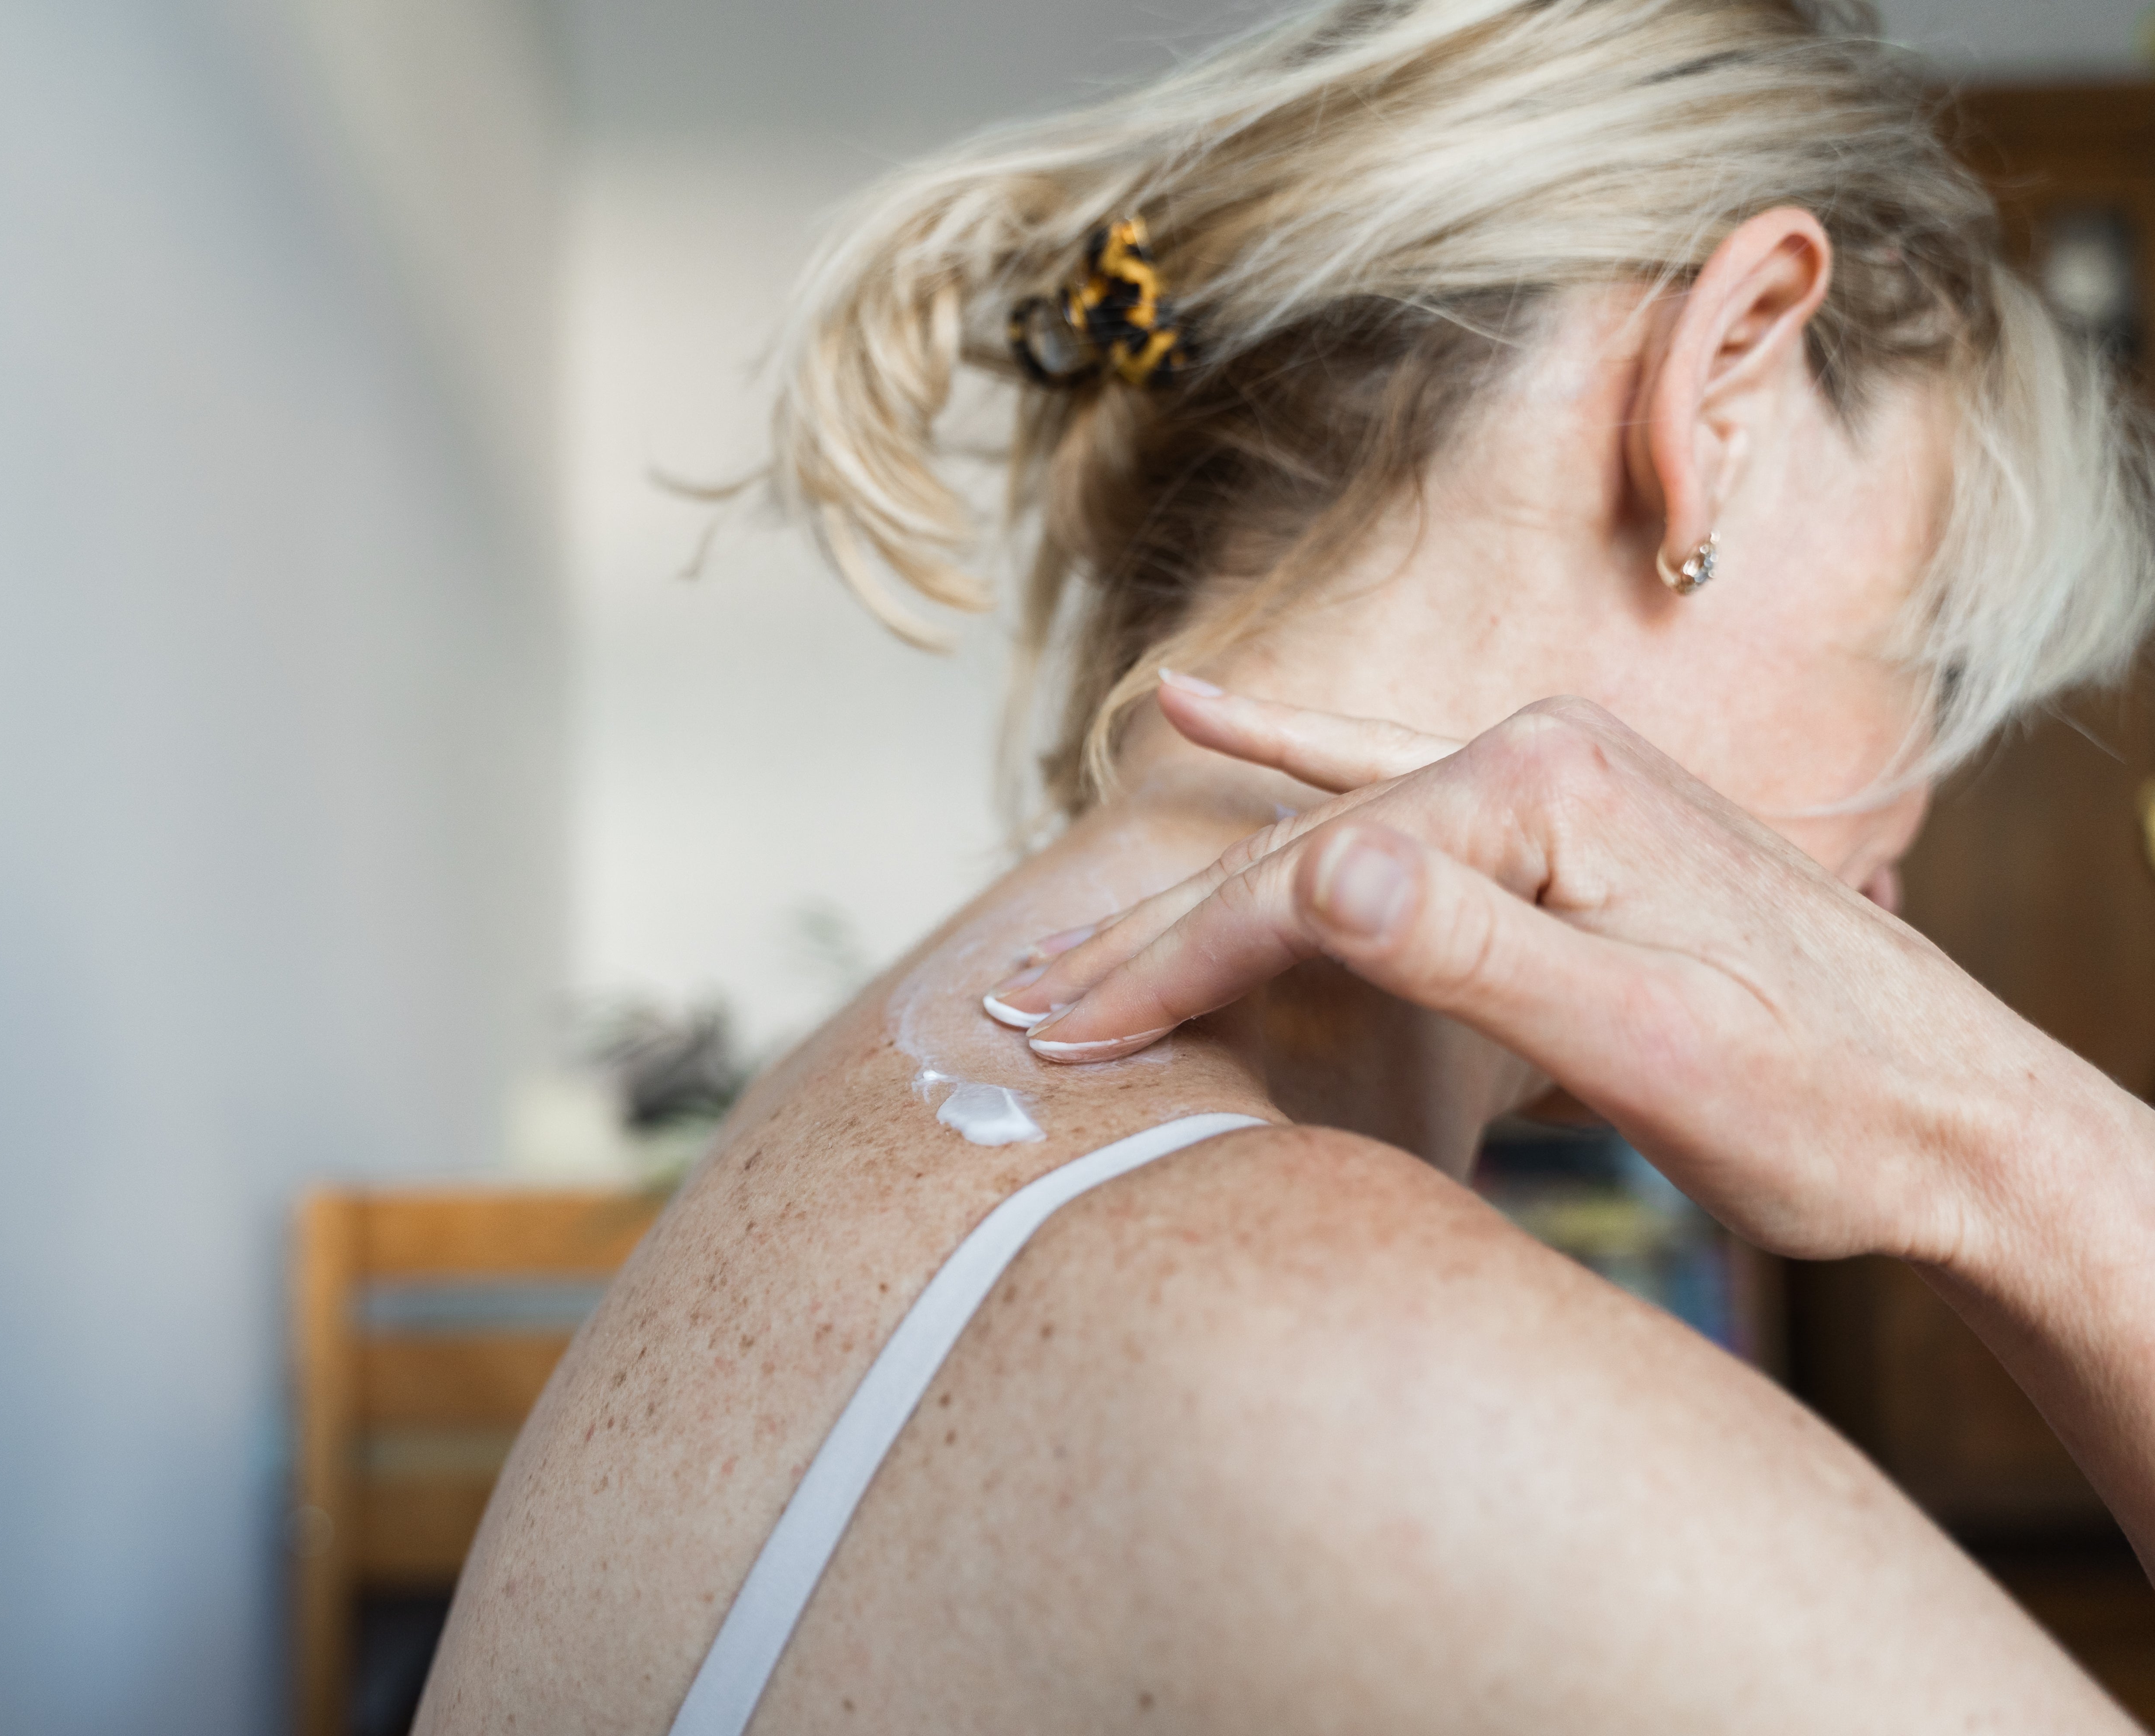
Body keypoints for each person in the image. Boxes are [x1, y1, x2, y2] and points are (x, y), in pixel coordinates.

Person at [416, 1, 2155, 1729]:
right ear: (1727, 390)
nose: (1898, 855)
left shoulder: (826, 1137)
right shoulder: (1409, 1397)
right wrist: (2014, 1148)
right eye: (1935, 661)